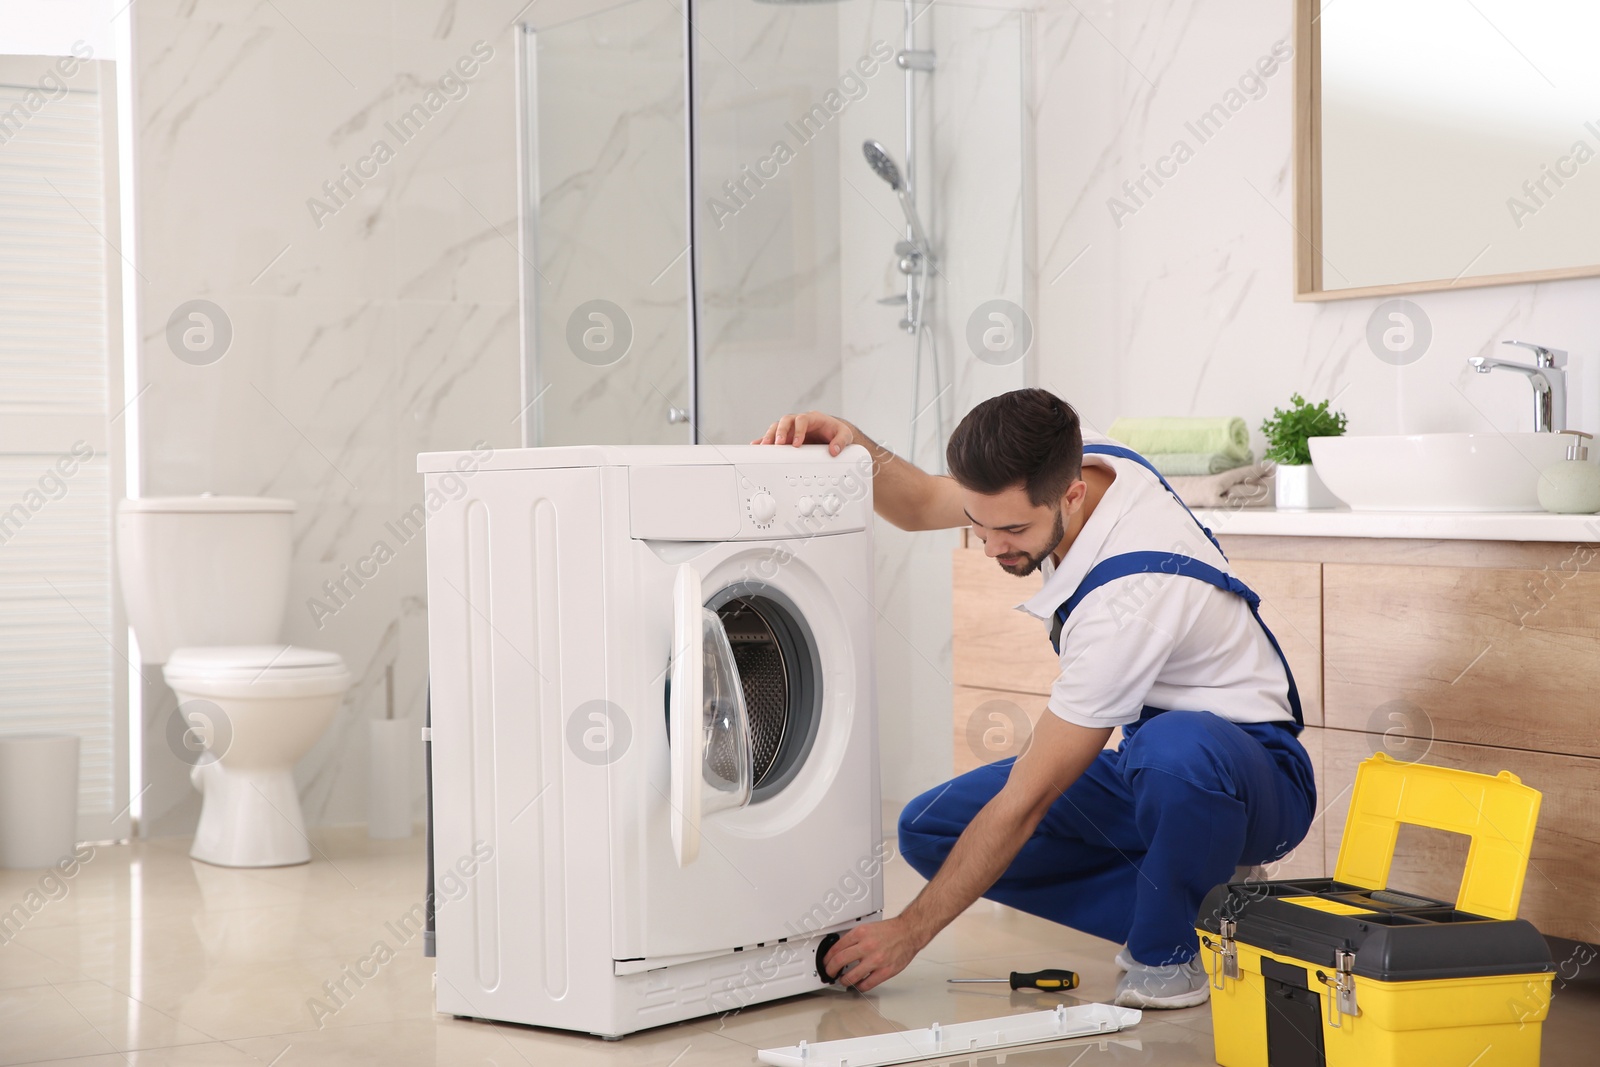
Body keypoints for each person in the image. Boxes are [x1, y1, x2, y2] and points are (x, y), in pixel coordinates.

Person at [754, 389, 1315, 1008]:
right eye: (979, 522)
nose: (992, 547)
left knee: (1169, 748)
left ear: (1070, 495)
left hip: (1255, 778)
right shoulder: (1083, 459)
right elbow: (916, 505)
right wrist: (852, 441)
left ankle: (1168, 954)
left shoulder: (1132, 598)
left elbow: (1026, 801)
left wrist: (909, 933)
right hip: (1150, 767)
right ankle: (1216, 910)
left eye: (1013, 529)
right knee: (933, 828)